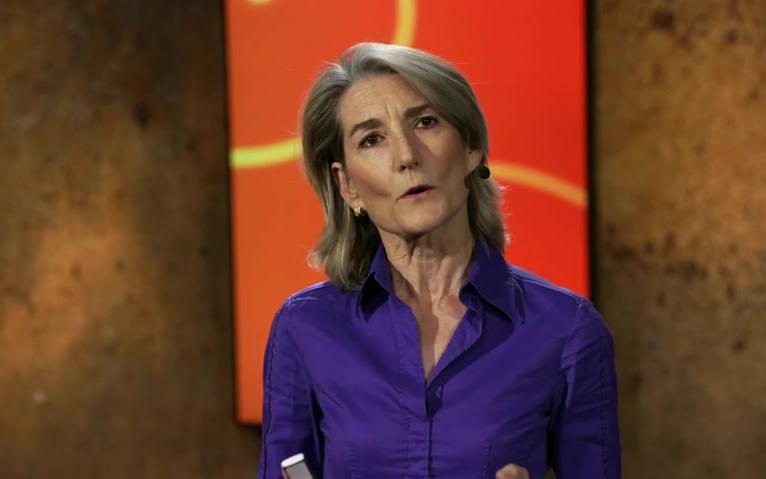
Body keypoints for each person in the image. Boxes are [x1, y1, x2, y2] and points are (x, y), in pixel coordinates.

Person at [257, 42, 621, 479]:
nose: (407, 156)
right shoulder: (305, 328)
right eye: (372, 139)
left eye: (425, 122)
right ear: (347, 186)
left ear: (471, 147)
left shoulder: (567, 330)